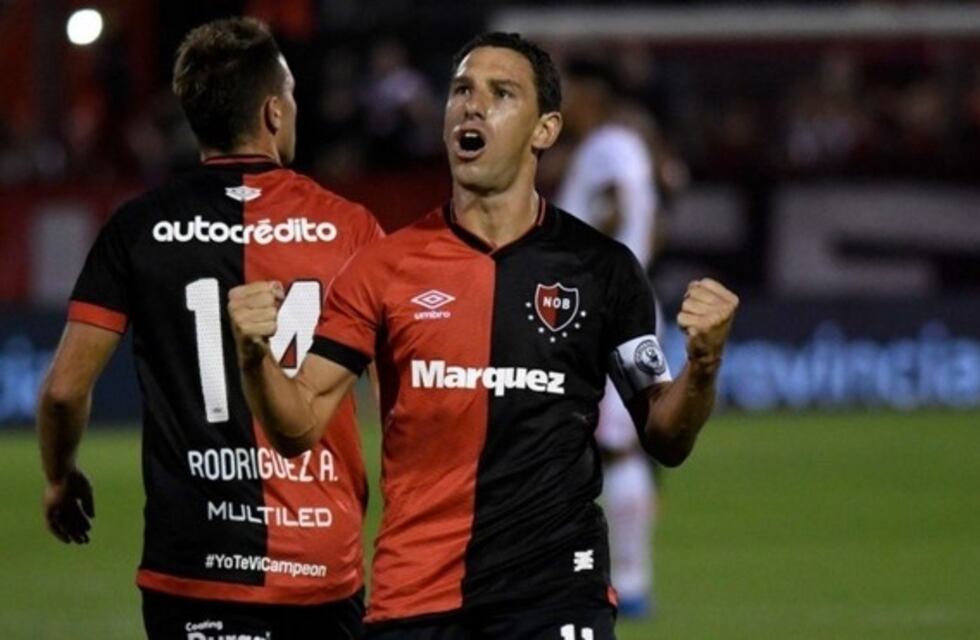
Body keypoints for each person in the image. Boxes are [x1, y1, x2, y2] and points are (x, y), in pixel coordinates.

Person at [230, 32, 738, 639]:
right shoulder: (383, 267)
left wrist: (703, 365)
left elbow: (666, 435)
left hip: (556, 595)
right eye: (461, 90)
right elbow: (296, 427)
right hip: (415, 598)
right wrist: (254, 356)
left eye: (501, 94)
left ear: (544, 130)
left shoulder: (602, 270)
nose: (472, 106)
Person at [37, 17, 382, 639]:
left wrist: (60, 478)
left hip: (192, 563)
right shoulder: (351, 229)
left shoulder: (137, 228)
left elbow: (63, 390)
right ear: (275, 113)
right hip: (320, 566)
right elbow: (401, 399)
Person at [555, 58, 661, 619]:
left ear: (589, 92)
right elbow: (652, 213)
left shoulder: (610, 144)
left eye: (565, 90)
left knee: (615, 450)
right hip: (623, 306)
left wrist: (590, 250)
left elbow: (620, 200)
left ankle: (634, 584)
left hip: (608, 315)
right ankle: (622, 577)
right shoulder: (616, 142)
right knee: (608, 447)